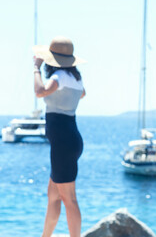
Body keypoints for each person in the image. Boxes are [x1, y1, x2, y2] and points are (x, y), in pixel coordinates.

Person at [33, 36, 86, 237]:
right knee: (54, 195)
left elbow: (39, 91)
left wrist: (36, 68)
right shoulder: (75, 78)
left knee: (69, 198)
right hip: (69, 139)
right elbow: (83, 94)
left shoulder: (60, 76)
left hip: (63, 142)